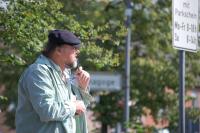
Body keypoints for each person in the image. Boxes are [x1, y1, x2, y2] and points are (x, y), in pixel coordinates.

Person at [15, 29, 93, 133]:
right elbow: (47, 110)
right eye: (73, 48)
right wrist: (74, 106)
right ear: (58, 50)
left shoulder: (65, 73)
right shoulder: (38, 72)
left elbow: (79, 109)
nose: (77, 52)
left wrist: (82, 87)